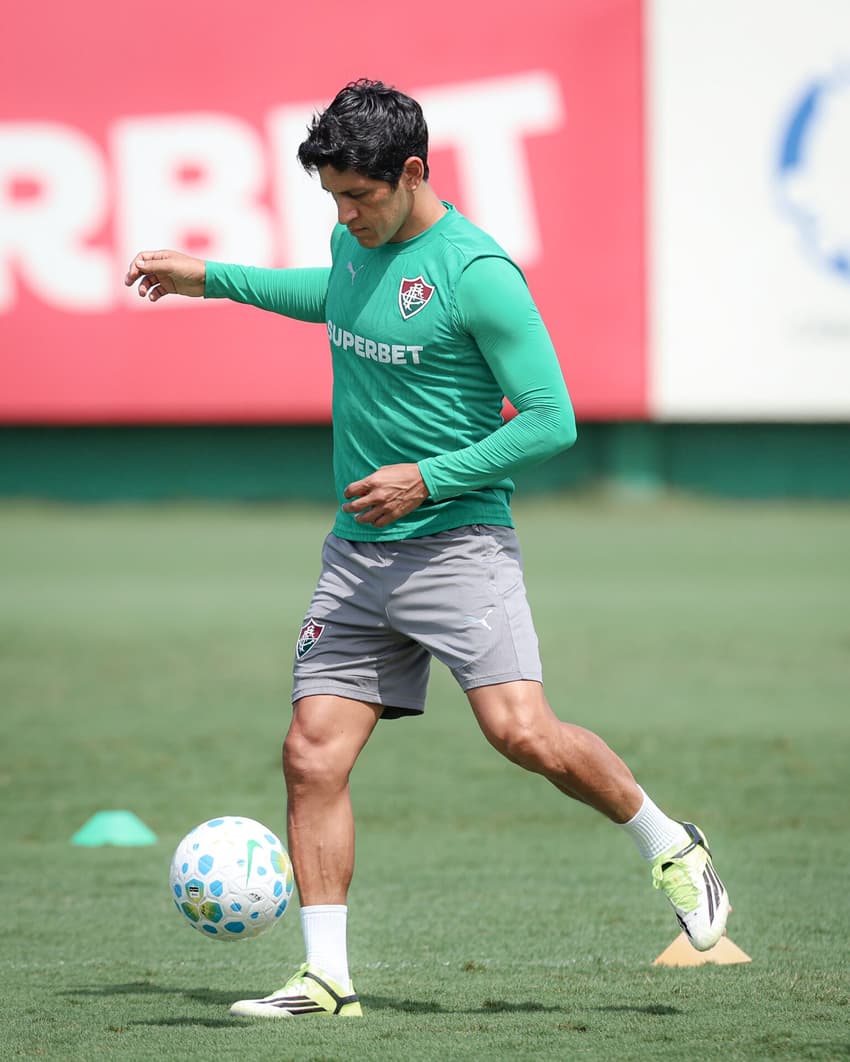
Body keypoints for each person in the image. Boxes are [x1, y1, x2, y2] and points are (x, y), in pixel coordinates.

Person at [125, 79, 729, 1020]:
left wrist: (432, 476)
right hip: (358, 557)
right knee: (311, 755)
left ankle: (670, 843)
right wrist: (211, 277)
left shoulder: (477, 272)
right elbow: (334, 297)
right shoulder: (351, 243)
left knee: (521, 734)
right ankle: (327, 977)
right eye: (332, 197)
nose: (346, 214)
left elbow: (552, 420)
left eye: (359, 196)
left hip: (458, 546)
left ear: (412, 173)